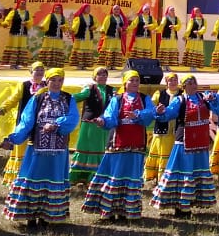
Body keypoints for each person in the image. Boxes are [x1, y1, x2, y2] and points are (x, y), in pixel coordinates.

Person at [1, 67, 79, 227]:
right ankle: (30, 216)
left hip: (58, 150)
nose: (57, 83)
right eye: (53, 80)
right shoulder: (38, 98)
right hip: (37, 148)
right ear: (47, 81)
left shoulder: (68, 98)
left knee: (54, 178)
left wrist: (56, 124)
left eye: (60, 80)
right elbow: (27, 121)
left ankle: (47, 216)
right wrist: (13, 138)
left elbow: (73, 118)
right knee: (33, 178)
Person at [81, 69, 162, 221]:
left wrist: (139, 115)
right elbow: (110, 118)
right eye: (131, 80)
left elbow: (150, 116)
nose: (134, 83)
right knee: (115, 176)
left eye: (137, 80)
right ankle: (109, 211)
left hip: (136, 145)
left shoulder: (145, 98)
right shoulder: (117, 100)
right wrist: (102, 121)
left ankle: (128, 211)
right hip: (118, 144)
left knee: (131, 177)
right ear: (125, 83)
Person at [150, 74, 219, 216]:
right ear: (183, 86)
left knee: (197, 172)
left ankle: (196, 200)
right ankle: (180, 205)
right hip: (184, 141)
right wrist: (161, 112)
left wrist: (214, 98)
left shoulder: (203, 98)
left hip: (201, 143)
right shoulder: (180, 100)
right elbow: (169, 114)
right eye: (189, 83)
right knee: (182, 172)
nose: (193, 85)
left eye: (194, 82)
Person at [0, 61, 47, 185]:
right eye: (37, 70)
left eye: (41, 70)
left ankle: (34, 177)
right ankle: (17, 179)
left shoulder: (47, 85)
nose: (39, 72)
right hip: (24, 123)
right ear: (31, 72)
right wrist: (2, 109)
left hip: (41, 124)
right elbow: (13, 99)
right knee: (21, 148)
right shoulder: (24, 86)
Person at [69, 66, 115, 183]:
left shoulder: (111, 90)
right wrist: (63, 98)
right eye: (100, 74)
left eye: (105, 74)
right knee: (87, 148)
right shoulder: (89, 89)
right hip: (90, 124)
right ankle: (78, 176)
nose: (103, 77)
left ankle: (95, 177)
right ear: (95, 77)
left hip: (103, 124)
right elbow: (77, 97)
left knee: (100, 148)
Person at [144, 72, 180, 182]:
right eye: (171, 80)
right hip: (162, 130)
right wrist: (157, 111)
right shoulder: (159, 94)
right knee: (161, 153)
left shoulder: (182, 94)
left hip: (177, 130)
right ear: (166, 82)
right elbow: (150, 108)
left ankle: (174, 177)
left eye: (175, 80)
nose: (173, 82)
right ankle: (159, 178)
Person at [1, 0, 32, 68]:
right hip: (15, 33)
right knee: (14, 47)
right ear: (18, 4)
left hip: (23, 34)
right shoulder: (13, 12)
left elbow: (31, 21)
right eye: (22, 4)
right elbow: (8, 20)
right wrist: (4, 23)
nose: (23, 5)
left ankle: (18, 63)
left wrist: (27, 22)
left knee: (21, 47)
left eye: (24, 4)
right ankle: (12, 64)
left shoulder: (27, 13)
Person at [36, 3, 68, 68]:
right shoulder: (50, 16)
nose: (57, 10)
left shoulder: (63, 17)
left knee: (57, 49)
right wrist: (42, 26)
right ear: (53, 9)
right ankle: (47, 64)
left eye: (58, 8)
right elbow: (46, 23)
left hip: (58, 37)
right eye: (56, 8)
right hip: (50, 36)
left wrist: (64, 26)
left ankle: (56, 64)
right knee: (49, 49)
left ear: (61, 9)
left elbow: (66, 25)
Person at [67, 3, 97, 70]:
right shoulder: (79, 18)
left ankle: (85, 64)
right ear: (83, 9)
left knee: (87, 50)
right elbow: (75, 26)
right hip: (80, 37)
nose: (88, 10)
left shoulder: (91, 17)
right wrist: (72, 30)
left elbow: (96, 24)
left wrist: (94, 27)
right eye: (87, 8)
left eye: (89, 8)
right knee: (80, 50)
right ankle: (79, 64)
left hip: (88, 37)